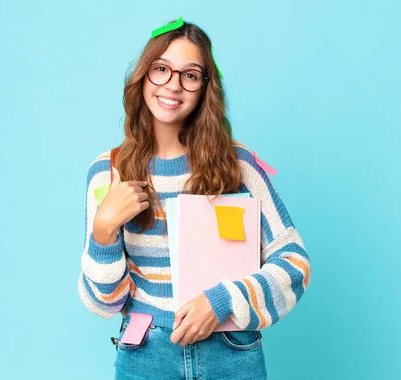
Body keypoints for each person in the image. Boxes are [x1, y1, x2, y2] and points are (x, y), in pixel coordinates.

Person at [78, 18, 312, 380]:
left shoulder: (239, 165)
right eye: (161, 69)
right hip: (146, 355)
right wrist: (104, 231)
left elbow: (294, 263)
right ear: (143, 76)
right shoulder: (106, 173)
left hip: (232, 351)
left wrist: (221, 303)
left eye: (190, 74)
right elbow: (104, 304)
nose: (173, 84)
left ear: (205, 87)